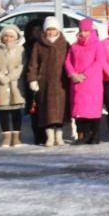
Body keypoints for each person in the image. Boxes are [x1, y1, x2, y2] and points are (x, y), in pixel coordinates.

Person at [28, 17, 71, 146]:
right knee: (46, 111)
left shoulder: (65, 44)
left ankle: (59, 136)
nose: (51, 32)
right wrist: (32, 79)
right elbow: (33, 64)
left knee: (60, 111)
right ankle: (50, 137)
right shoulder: (38, 44)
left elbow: (70, 62)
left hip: (61, 82)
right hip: (44, 83)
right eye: (48, 30)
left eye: (53, 29)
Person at [64, 17, 105, 145]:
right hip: (77, 83)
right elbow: (67, 61)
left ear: (91, 30)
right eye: (81, 31)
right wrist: (72, 74)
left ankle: (94, 135)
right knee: (79, 111)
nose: (83, 33)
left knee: (92, 110)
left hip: (92, 83)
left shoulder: (97, 44)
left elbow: (99, 62)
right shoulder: (74, 46)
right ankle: (82, 134)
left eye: (86, 31)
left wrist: (84, 75)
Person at [0, 25, 27, 147]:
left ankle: (17, 137)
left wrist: (10, 77)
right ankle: (6, 136)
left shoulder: (20, 49)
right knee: (4, 112)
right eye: (6, 36)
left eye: (11, 36)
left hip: (15, 84)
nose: (8, 38)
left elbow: (21, 66)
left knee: (16, 111)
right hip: (1, 85)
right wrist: (0, 76)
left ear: (16, 38)